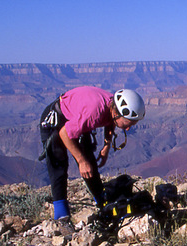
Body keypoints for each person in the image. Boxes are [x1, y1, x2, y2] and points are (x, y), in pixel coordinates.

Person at [39, 86, 145, 229]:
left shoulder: (112, 107)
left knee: (90, 163)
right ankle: (61, 218)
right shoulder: (93, 114)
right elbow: (65, 132)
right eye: (128, 124)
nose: (128, 129)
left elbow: (111, 121)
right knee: (59, 164)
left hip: (77, 120)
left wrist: (107, 146)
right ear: (118, 113)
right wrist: (81, 161)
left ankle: (102, 203)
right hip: (56, 119)